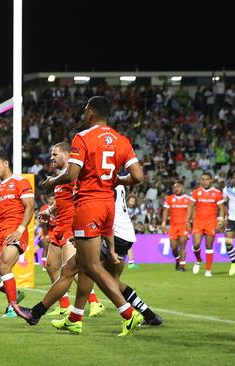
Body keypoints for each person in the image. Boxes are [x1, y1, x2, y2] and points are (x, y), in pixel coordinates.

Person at [35, 96, 145, 336]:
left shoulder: (83, 137)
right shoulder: (122, 140)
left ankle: (128, 313)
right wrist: (119, 179)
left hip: (89, 204)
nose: (84, 113)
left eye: (86, 109)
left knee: (93, 266)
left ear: (91, 113)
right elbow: (137, 176)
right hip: (108, 205)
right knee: (75, 266)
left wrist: (50, 181)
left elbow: (72, 174)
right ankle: (72, 317)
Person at [49, 183, 163, 334]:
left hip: (114, 235)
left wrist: (87, 236)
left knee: (86, 267)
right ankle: (149, 315)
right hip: (124, 234)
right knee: (111, 279)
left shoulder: (105, 184)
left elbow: (104, 213)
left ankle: (79, 314)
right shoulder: (115, 181)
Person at [36, 142, 104, 317]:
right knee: (51, 265)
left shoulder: (74, 176)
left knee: (71, 269)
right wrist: (49, 210)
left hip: (71, 227)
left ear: (67, 155)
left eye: (55, 154)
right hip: (58, 226)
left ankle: (95, 303)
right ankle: (64, 304)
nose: (51, 157)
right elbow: (61, 200)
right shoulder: (61, 177)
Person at [0, 153, 34, 318]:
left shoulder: (20, 182)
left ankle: (13, 307)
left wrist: (20, 230)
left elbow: (30, 206)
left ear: (5, 163)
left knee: (4, 266)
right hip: (0, 232)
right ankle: (14, 294)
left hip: (15, 230)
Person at [189, 172, 225, 276]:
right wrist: (188, 220)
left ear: (211, 180)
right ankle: (198, 259)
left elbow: (221, 208)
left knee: (209, 245)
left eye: (207, 179)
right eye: (203, 179)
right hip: (198, 222)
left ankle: (208, 270)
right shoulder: (196, 192)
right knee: (196, 245)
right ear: (201, 181)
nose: (205, 181)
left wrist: (220, 221)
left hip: (211, 222)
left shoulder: (217, 193)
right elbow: (191, 206)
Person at [161, 181, 194, 271]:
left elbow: (192, 212)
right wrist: (163, 223)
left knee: (183, 245)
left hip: (184, 226)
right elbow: (165, 211)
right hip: (173, 226)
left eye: (178, 187)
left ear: (182, 188)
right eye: (175, 187)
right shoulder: (169, 199)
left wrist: (191, 223)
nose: (177, 189)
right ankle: (177, 260)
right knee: (174, 248)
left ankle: (182, 266)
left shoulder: (188, 199)